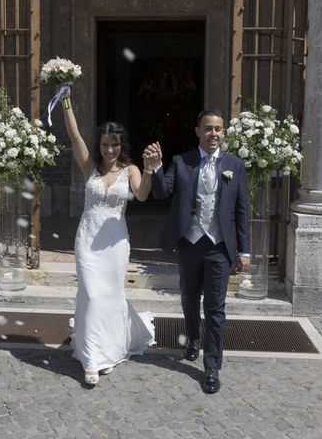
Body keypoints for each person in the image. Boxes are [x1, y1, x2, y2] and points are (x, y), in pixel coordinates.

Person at [144, 110, 251, 394]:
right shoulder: (181, 162)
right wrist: (155, 169)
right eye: (207, 129)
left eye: (218, 129)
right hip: (190, 243)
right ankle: (192, 338)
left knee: (215, 308)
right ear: (197, 131)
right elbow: (162, 192)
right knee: (190, 298)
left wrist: (245, 250)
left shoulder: (234, 165)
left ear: (223, 132)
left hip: (219, 246)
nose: (213, 134)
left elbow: (242, 210)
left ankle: (212, 366)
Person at [60, 88, 155, 386]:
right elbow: (75, 136)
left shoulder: (130, 169)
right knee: (91, 294)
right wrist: (65, 100)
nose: (109, 150)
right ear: (99, 144)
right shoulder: (89, 166)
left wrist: (150, 170)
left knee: (110, 296)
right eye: (104, 144)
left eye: (114, 145)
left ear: (120, 145)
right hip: (87, 241)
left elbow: (141, 195)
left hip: (115, 243)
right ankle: (91, 359)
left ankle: (109, 350)